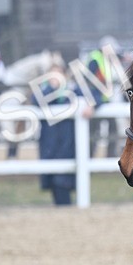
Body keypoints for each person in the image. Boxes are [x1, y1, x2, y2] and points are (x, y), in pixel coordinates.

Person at [37, 64, 95, 206]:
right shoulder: (43, 92)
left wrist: (91, 105)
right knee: (55, 184)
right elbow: (36, 102)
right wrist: (53, 88)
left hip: (68, 145)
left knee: (63, 183)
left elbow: (94, 97)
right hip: (50, 146)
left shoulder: (74, 90)